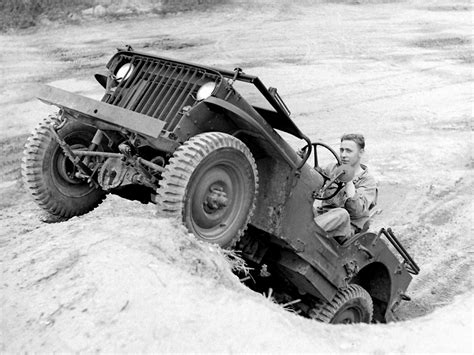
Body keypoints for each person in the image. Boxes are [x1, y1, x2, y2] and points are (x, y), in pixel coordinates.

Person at [313, 134, 377, 243]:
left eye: (348, 151)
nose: (343, 155)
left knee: (342, 214)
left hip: (347, 229)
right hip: (324, 218)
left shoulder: (367, 181)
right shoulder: (332, 168)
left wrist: (349, 182)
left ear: (361, 153)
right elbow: (312, 181)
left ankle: (307, 232)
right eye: (341, 150)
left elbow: (357, 212)